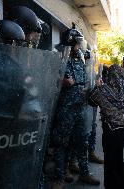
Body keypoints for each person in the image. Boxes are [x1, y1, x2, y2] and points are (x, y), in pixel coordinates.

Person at [52, 25, 100, 189]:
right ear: (71, 43)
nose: (80, 46)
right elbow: (50, 81)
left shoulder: (80, 59)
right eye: (78, 43)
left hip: (80, 107)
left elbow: (87, 79)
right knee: (62, 142)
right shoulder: (59, 58)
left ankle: (84, 172)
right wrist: (62, 81)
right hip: (66, 108)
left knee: (82, 140)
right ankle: (60, 176)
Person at [89, 64, 124, 189]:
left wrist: (97, 86)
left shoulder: (103, 89)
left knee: (110, 162)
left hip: (110, 133)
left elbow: (90, 100)